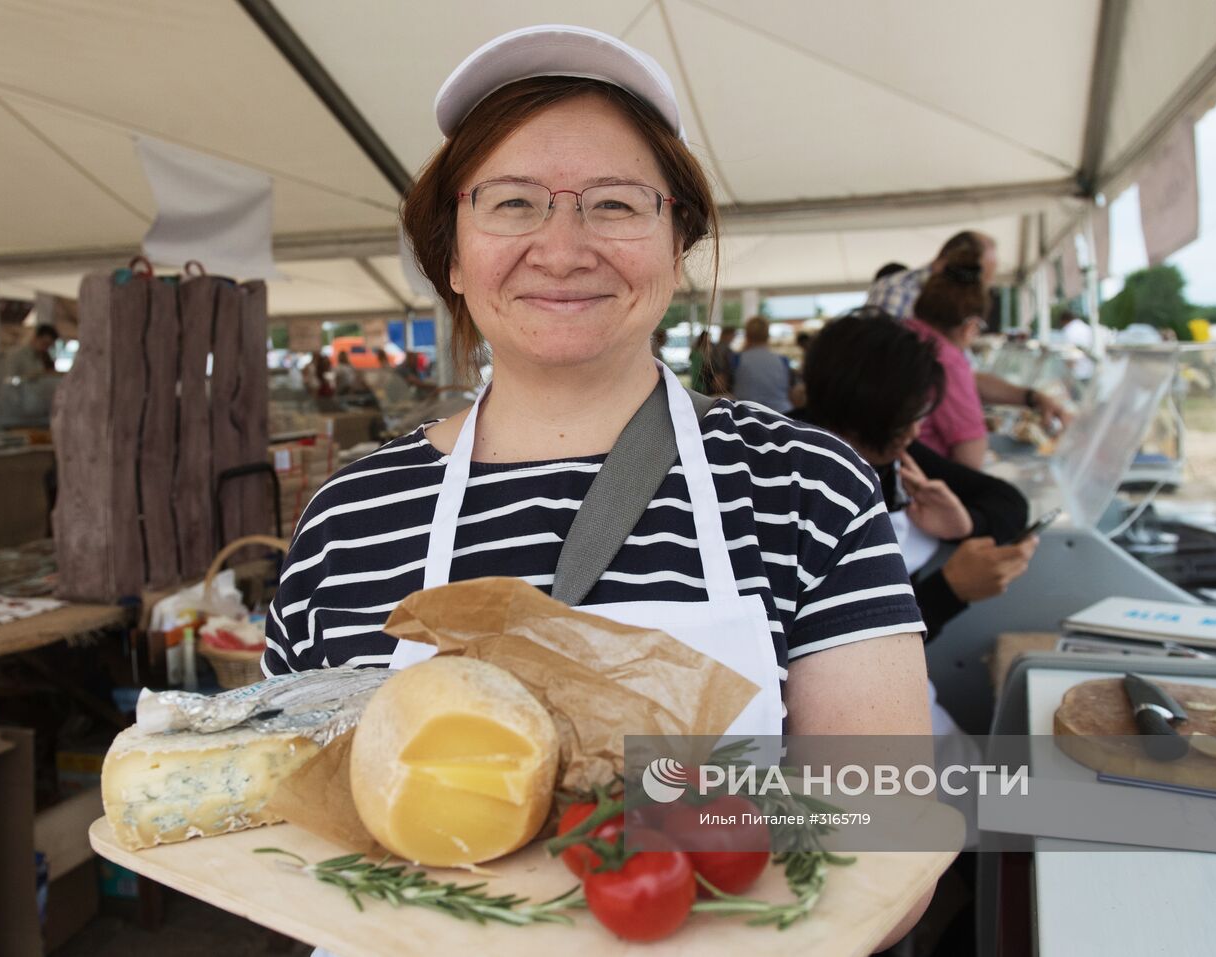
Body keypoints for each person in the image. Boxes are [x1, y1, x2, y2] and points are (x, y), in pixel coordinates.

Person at [267, 25, 933, 947]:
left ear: (677, 242)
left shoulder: (805, 489)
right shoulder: (348, 518)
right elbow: (291, 830)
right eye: (511, 203)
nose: (563, 245)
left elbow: (887, 845)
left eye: (616, 204)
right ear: (452, 254)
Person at [796, 312, 1035, 642]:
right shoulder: (794, 487)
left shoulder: (895, 456)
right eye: (906, 418)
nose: (916, 429)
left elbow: (1010, 503)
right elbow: (835, 646)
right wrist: (949, 590)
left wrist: (965, 524)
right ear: (864, 414)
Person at [868, 232, 1069, 427]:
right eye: (978, 276)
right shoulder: (897, 290)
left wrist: (1031, 397)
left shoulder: (948, 315)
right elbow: (885, 381)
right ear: (950, 261)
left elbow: (965, 377)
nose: (979, 287)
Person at [907, 243, 994, 469]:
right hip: (924, 484)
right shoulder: (946, 360)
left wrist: (1029, 397)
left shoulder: (904, 333)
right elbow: (971, 460)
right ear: (970, 327)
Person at [730, 316, 793, 411]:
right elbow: (790, 389)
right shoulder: (783, 360)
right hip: (780, 412)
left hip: (746, 413)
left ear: (747, 335)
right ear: (767, 335)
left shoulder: (737, 359)